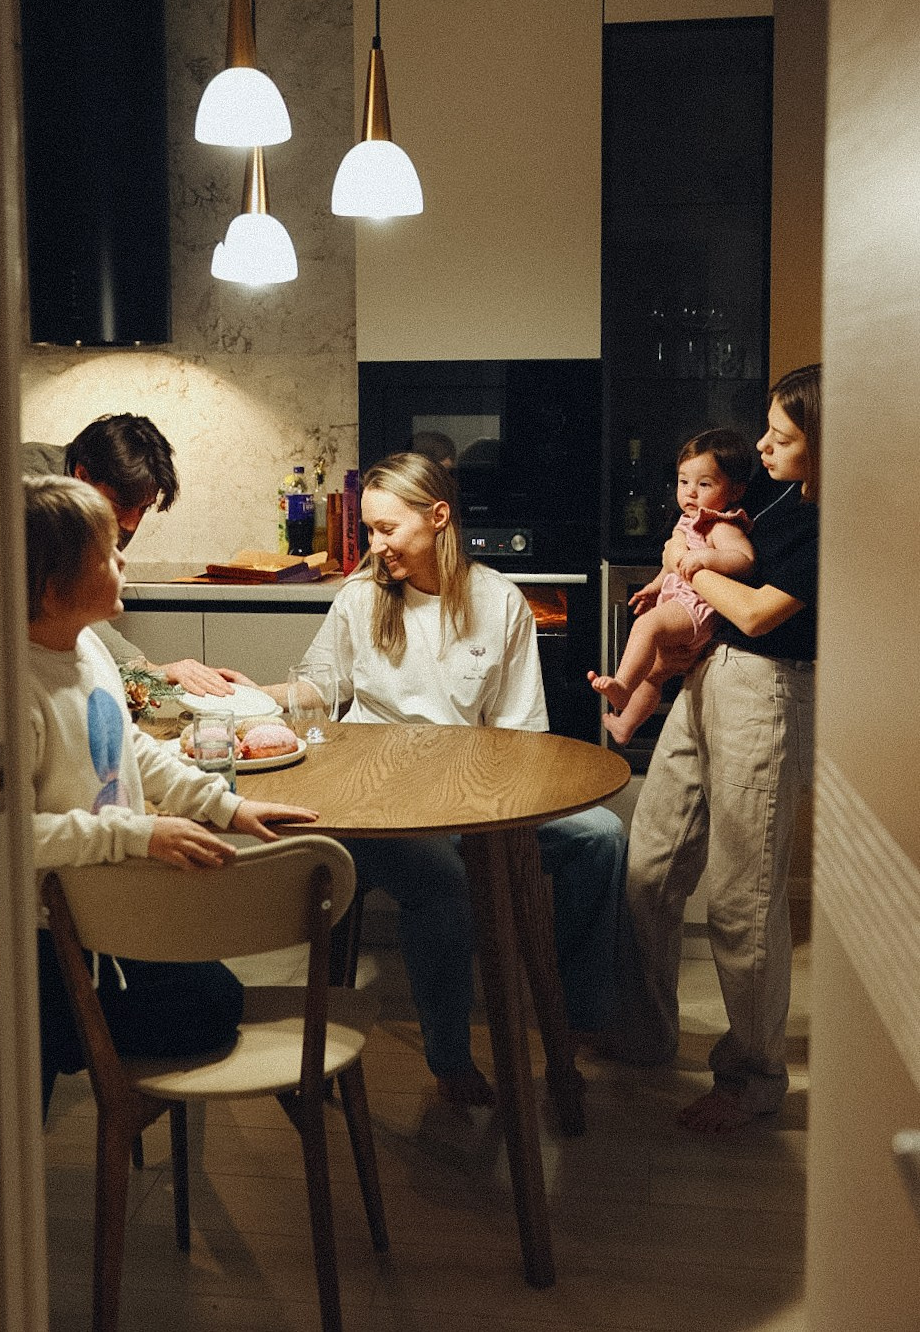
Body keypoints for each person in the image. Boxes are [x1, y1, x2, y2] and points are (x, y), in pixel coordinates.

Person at [236, 453, 627, 1108]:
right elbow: (319, 688)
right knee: (445, 885)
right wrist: (253, 695)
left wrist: (491, 805)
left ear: (438, 517)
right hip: (376, 805)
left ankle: (576, 1017)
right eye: (369, 529)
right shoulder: (360, 598)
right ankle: (450, 1060)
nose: (374, 545)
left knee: (601, 836)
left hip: (470, 793)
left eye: (387, 529)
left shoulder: (499, 602)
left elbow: (520, 733)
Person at [25, 474, 318, 1118]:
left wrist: (225, 805)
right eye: (107, 554)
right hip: (53, 936)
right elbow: (11, 836)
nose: (124, 561)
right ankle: (63, 1039)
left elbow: (133, 748)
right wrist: (139, 835)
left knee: (215, 1000)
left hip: (116, 910)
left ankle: (72, 1044)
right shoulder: (16, 689)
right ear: (51, 588)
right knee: (204, 1007)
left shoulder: (88, 649)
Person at [622, 365, 821, 1134]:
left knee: (742, 900)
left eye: (781, 436)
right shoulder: (775, 493)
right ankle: (646, 1035)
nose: (762, 446)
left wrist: (685, 567)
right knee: (649, 867)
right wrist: (682, 585)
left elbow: (762, 613)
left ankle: (751, 1077)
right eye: (766, 430)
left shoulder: (835, 516)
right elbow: (704, 555)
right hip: (711, 674)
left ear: (826, 443)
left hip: (767, 695)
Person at [22, 413, 241, 696]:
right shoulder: (34, 493)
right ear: (82, 475)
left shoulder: (92, 505)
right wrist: (146, 669)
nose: (131, 524)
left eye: (143, 508)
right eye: (123, 504)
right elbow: (74, 599)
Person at [588, 427, 755, 745]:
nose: (690, 492)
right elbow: (671, 566)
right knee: (653, 673)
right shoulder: (689, 520)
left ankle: (622, 685)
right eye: (683, 482)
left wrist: (706, 558)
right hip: (681, 603)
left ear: (735, 490)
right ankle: (626, 725)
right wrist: (655, 586)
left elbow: (745, 559)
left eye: (704, 484)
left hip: (697, 609)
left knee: (646, 626)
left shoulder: (719, 524)